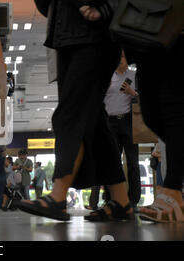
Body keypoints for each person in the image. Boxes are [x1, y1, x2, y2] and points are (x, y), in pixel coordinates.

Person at [15, 0, 134, 222]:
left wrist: (103, 7)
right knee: (95, 121)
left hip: (94, 34)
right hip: (66, 36)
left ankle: (58, 196)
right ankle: (121, 201)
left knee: (70, 114)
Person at [125, 32, 184, 222]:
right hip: (145, 41)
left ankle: (173, 190)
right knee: (151, 115)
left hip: (175, 33)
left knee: (173, 109)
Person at [104, 51, 141, 209]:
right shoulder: (107, 75)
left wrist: (133, 93)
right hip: (110, 122)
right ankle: (110, 200)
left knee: (133, 163)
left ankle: (133, 201)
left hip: (129, 121)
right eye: (118, 56)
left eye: (123, 56)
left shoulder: (134, 75)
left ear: (128, 59)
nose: (120, 60)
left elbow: (144, 97)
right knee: (111, 162)